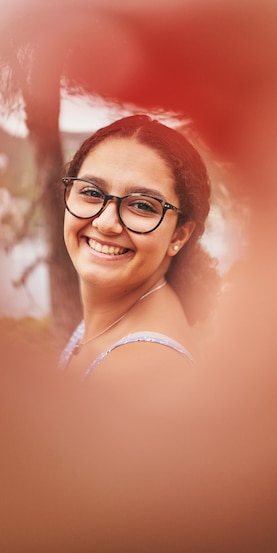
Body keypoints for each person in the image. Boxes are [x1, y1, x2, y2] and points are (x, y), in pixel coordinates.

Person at [58, 114, 219, 382]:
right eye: (92, 192)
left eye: (142, 205)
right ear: (68, 195)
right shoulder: (117, 318)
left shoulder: (141, 374)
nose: (106, 223)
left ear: (178, 235)